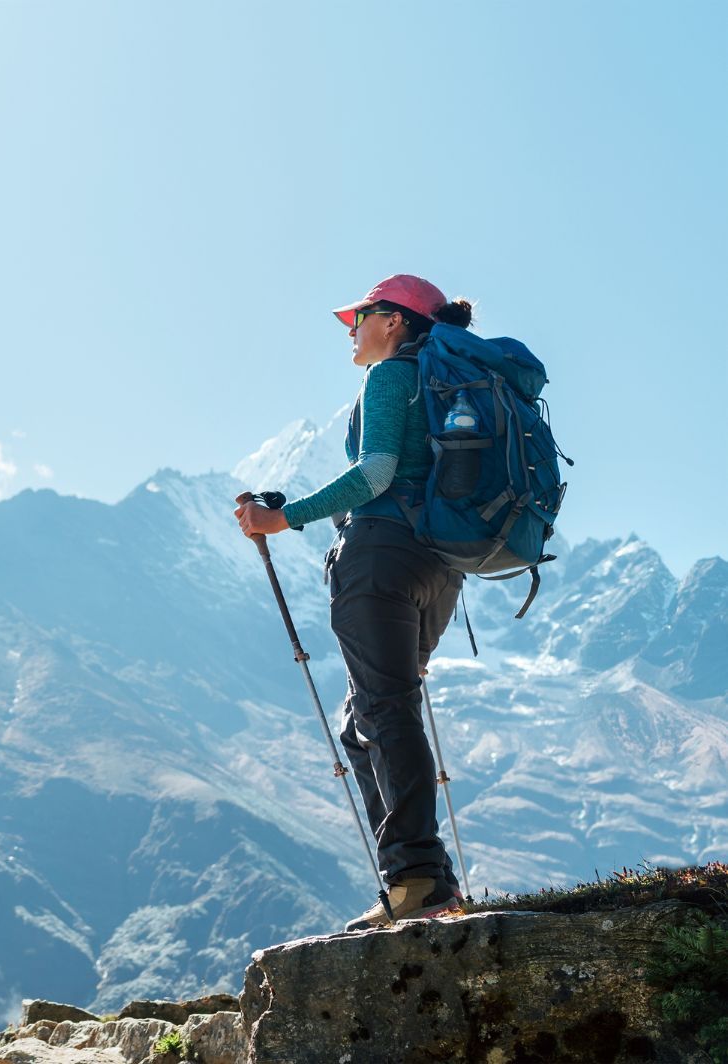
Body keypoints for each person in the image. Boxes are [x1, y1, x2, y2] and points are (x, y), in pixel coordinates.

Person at [233, 273, 475, 932]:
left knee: (382, 710)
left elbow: (375, 475)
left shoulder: (392, 377)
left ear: (394, 320)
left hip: (380, 559)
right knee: (367, 718)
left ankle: (416, 877)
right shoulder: (446, 386)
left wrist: (287, 519)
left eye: (360, 316)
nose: (351, 329)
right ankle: (427, 879)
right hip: (439, 570)